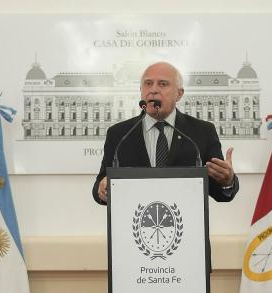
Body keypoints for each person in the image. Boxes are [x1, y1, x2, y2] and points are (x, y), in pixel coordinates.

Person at [92, 61, 239, 205]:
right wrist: (102, 189)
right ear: (141, 90)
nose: (153, 89)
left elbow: (220, 193)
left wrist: (228, 181)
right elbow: (100, 185)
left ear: (179, 94)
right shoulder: (119, 134)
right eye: (148, 83)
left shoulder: (202, 132)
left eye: (163, 84)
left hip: (185, 219)